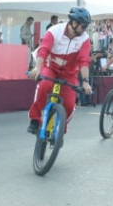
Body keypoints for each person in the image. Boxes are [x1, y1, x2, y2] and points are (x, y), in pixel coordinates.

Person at [26, 7, 93, 135]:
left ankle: (61, 126)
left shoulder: (85, 39)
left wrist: (85, 81)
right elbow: (44, 49)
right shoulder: (54, 31)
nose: (85, 30)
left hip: (69, 73)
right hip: (50, 67)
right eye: (83, 26)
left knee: (69, 105)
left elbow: (84, 61)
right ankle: (34, 119)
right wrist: (38, 68)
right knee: (45, 85)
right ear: (74, 23)